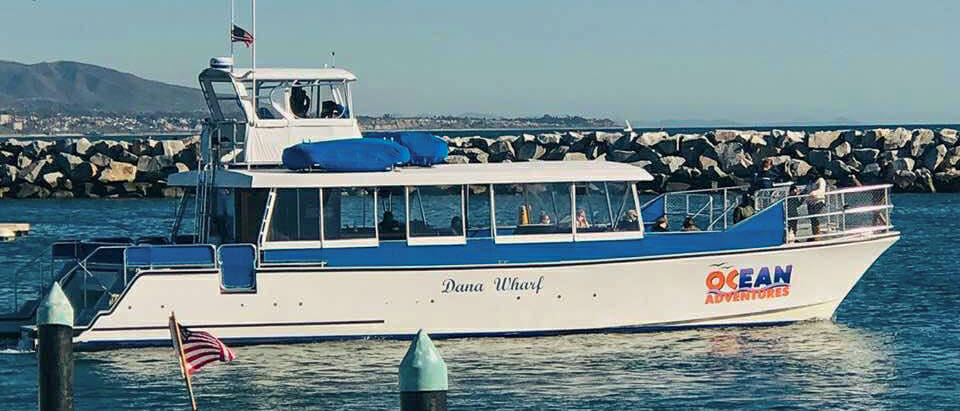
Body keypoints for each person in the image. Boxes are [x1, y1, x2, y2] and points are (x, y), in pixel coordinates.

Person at [806, 175, 827, 240]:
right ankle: (814, 235)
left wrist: (813, 193)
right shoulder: (810, 182)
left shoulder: (821, 180)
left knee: (816, 218)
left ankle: (817, 236)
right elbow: (806, 190)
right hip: (811, 203)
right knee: (812, 219)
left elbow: (821, 190)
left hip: (818, 202)